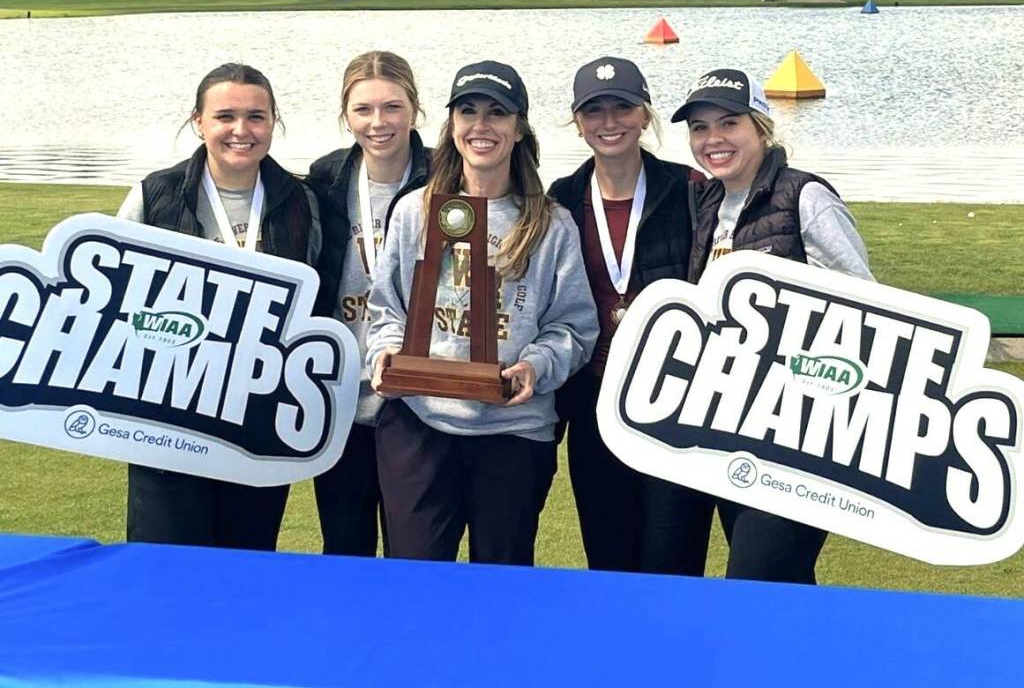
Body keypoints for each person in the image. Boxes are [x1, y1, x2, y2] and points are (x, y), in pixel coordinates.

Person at [366, 60, 599, 566]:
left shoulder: (551, 224)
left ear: (519, 130)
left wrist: (536, 365)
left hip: (512, 433)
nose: (481, 125)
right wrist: (385, 354)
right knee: (415, 580)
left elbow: (575, 327)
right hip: (420, 421)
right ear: (451, 126)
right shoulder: (415, 210)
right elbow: (386, 309)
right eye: (467, 111)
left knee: (502, 580)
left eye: (498, 113)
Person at [673, 68, 873, 583]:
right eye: (699, 127)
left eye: (729, 123)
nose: (713, 139)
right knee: (783, 587)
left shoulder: (805, 197)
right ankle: (808, 664)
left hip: (802, 436)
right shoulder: (709, 205)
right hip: (731, 427)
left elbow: (866, 309)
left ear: (761, 128)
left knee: (756, 575)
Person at [117, 62, 321, 550]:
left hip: (258, 420)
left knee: (243, 569)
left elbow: (312, 310)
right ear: (198, 121)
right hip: (167, 418)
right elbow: (118, 309)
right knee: (164, 568)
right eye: (225, 116)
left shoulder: (301, 202)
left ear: (274, 122)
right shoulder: (154, 196)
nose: (241, 131)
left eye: (256, 116)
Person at [548, 56, 714, 575]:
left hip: (675, 406)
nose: (610, 121)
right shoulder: (560, 199)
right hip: (594, 404)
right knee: (608, 557)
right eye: (594, 110)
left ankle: (675, 656)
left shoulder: (690, 189)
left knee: (675, 560)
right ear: (578, 122)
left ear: (645, 115)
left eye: (623, 107)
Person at [306, 51, 431, 557]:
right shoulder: (326, 178)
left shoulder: (445, 176)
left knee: (413, 549)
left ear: (414, 110)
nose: (378, 123)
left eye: (392, 107)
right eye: (363, 110)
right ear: (345, 114)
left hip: (417, 401)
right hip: (338, 397)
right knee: (344, 546)